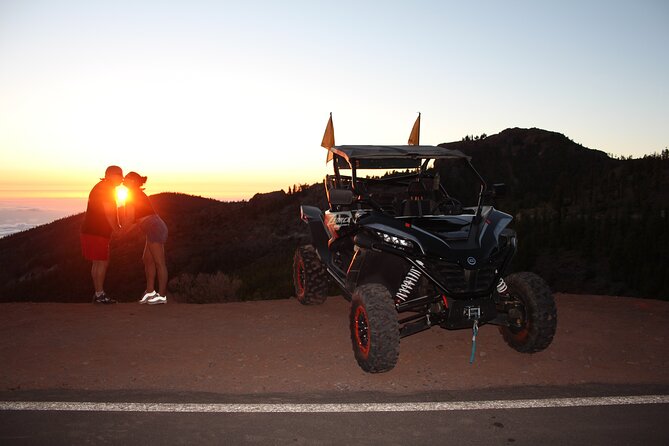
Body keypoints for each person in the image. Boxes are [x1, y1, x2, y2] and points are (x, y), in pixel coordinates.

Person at [122, 171, 169, 305]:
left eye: (127, 178)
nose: (124, 179)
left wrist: (119, 230)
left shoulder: (132, 194)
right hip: (152, 227)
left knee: (159, 263)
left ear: (133, 181)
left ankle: (162, 296)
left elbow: (130, 218)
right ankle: (150, 292)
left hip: (154, 227)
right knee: (147, 260)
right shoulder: (135, 193)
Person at [81, 165, 124, 304]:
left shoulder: (101, 186)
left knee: (97, 262)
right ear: (111, 175)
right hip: (98, 231)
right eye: (120, 175)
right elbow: (109, 212)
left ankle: (98, 293)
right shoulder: (106, 189)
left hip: (91, 230)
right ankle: (100, 295)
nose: (122, 179)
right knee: (102, 262)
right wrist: (117, 228)